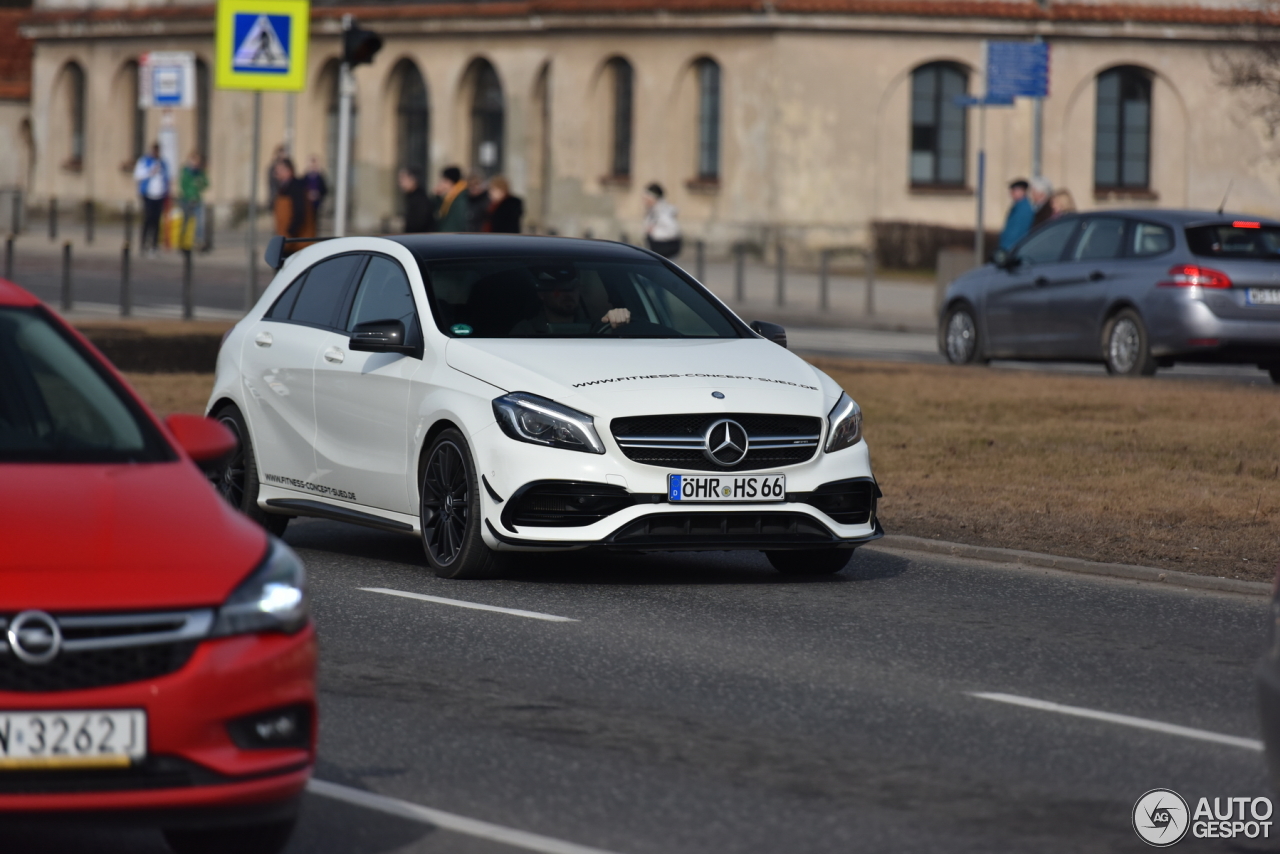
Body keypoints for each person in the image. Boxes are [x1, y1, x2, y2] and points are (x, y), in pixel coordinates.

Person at [510, 268, 631, 335]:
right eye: (560, 289)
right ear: (542, 294)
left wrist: (618, 323)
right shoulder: (524, 332)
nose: (568, 293)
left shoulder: (596, 329)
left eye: (573, 287)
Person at [132, 143, 169, 257]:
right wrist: (150, 172)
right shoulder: (144, 161)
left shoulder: (162, 163)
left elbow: (166, 177)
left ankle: (154, 246)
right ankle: (143, 246)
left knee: (157, 222)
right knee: (147, 220)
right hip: (148, 195)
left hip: (159, 195)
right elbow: (137, 175)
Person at [272, 157, 314, 239]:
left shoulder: (296, 186)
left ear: (288, 170)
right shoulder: (283, 187)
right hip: (287, 239)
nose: (276, 173)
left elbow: (299, 212)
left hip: (295, 241)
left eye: (279, 170)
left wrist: (290, 233)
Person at [178, 152, 208, 252]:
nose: (196, 163)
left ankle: (198, 242)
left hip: (197, 200)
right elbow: (183, 186)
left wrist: (200, 184)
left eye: (197, 161)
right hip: (186, 200)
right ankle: (182, 242)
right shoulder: (185, 172)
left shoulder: (200, 172)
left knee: (199, 222)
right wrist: (190, 195)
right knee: (185, 221)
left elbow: (206, 184)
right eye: (194, 160)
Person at [643, 183, 681, 258]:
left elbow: (673, 230)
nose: (645, 201)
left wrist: (654, 232)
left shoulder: (663, 211)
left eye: (647, 198)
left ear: (652, 198)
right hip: (657, 248)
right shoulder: (653, 211)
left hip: (664, 248)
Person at [998, 179, 1034, 251]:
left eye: (1014, 190)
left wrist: (1006, 249)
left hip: (1012, 249)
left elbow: (1017, 232)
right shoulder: (1018, 206)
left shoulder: (1024, 208)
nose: (1011, 193)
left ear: (1022, 191)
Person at [433, 166, 470, 232]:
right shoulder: (450, 197)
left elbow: (455, 222)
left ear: (449, 181)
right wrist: (437, 196)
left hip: (452, 237)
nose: (441, 184)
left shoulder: (459, 198)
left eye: (444, 180)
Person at [399, 167, 434, 233]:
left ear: (413, 180)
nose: (400, 183)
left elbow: (418, 224)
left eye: (403, 179)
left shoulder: (420, 199)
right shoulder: (411, 197)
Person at [303, 156, 328, 224]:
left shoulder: (320, 177)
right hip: (307, 202)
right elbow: (302, 188)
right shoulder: (305, 177)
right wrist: (307, 194)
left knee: (315, 220)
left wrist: (318, 194)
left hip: (317, 202)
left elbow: (324, 189)